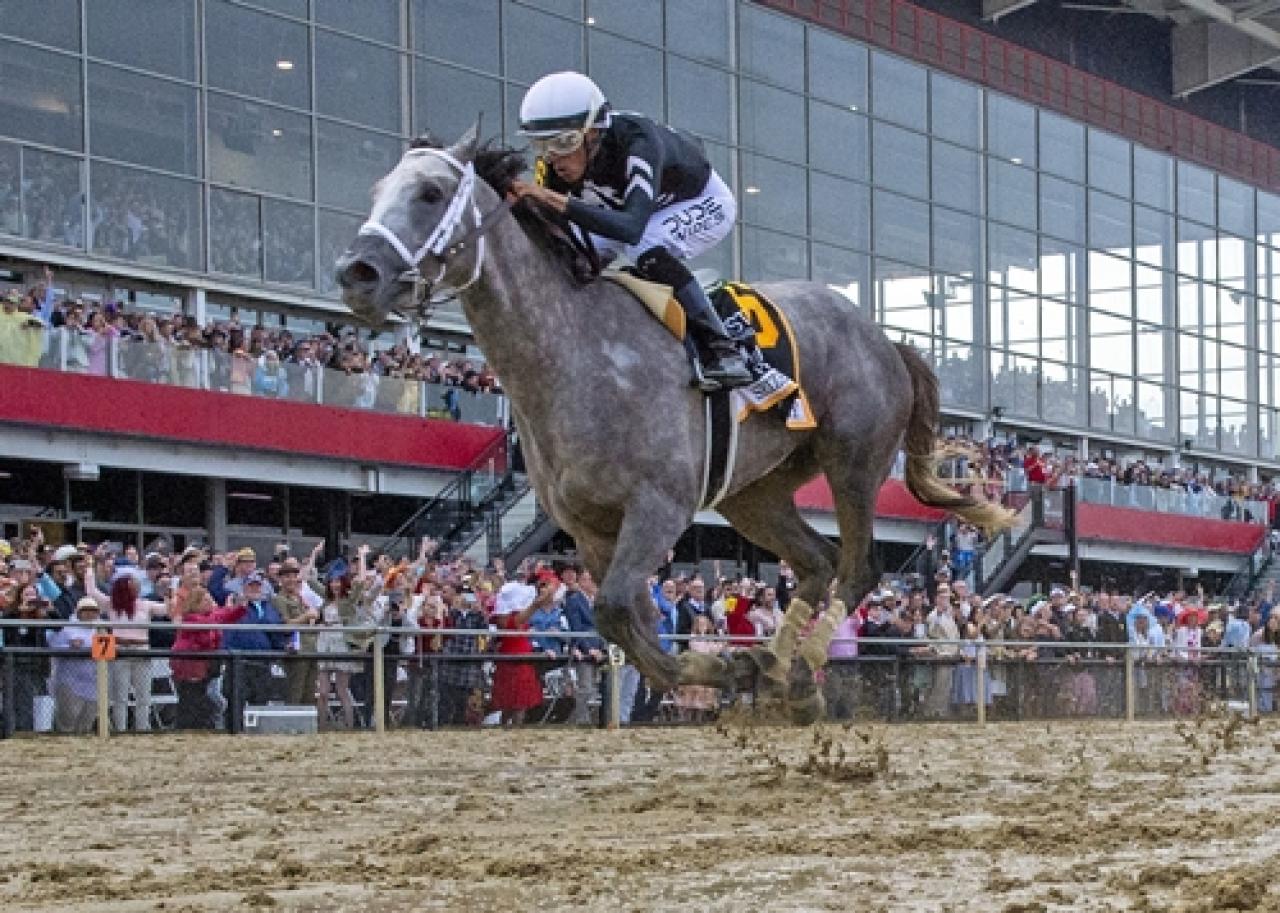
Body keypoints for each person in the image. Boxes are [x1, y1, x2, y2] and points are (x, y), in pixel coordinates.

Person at [512, 71, 751, 391]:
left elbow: (631, 228)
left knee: (644, 246)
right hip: (632, 210)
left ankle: (723, 348)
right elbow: (555, 228)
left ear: (593, 133)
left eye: (564, 143)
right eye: (541, 145)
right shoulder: (555, 164)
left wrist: (552, 199)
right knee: (570, 257)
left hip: (699, 201)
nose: (554, 158)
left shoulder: (637, 142)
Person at [489, 579, 552, 726]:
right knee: (512, 703)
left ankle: (512, 727)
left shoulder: (513, 617)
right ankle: (511, 727)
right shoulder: (509, 620)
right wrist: (536, 603)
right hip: (513, 662)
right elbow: (528, 612)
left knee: (517, 704)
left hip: (522, 659)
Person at [46, 597, 103, 734]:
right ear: (78, 612)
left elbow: (107, 651)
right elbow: (53, 646)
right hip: (69, 682)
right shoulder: (65, 627)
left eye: (93, 611)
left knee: (87, 719)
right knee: (68, 718)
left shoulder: (102, 628)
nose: (89, 614)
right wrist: (70, 646)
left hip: (93, 682)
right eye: (86, 610)